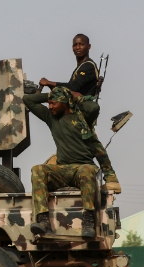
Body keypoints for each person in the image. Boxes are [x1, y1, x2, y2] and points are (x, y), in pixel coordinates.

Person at [39, 33, 121, 193]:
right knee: (76, 142)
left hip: (84, 112)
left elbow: (73, 87)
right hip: (76, 112)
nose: (78, 47)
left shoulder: (88, 66)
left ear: (88, 46)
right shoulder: (80, 67)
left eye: (81, 44)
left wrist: (49, 83)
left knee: (91, 142)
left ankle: (110, 178)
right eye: (75, 45)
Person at [23, 87, 101, 237]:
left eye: (54, 103)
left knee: (87, 170)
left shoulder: (81, 116)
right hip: (63, 170)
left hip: (82, 168)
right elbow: (28, 100)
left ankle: (88, 221)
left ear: (64, 102)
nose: (49, 106)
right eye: (49, 103)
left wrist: (74, 96)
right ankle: (44, 220)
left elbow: (94, 107)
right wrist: (51, 96)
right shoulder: (51, 117)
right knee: (38, 169)